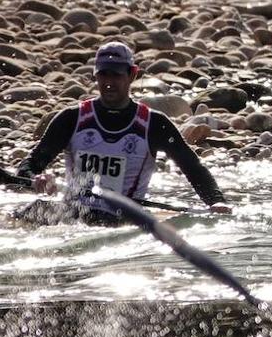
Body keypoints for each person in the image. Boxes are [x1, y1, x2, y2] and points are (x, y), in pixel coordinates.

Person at [14, 41, 230, 224]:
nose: (108, 83)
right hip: (75, 215)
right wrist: (37, 178)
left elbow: (193, 168)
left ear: (132, 75)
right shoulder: (71, 119)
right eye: (103, 75)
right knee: (31, 210)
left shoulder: (154, 124)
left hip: (124, 219)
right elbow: (28, 167)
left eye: (116, 75)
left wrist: (216, 202)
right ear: (95, 76)